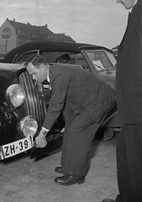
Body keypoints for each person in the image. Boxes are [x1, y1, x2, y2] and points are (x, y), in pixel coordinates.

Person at [25, 54, 116, 185]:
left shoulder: (59, 75)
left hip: (99, 102)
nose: (34, 78)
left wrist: (42, 134)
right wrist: (68, 122)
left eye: (34, 73)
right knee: (70, 128)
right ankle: (68, 166)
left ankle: (77, 174)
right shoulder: (54, 73)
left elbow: (56, 106)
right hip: (89, 102)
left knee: (78, 132)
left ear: (43, 67)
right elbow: (66, 103)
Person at [102, 0, 142, 202]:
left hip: (141, 109)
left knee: (140, 170)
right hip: (133, 110)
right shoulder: (138, 10)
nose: (117, 0)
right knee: (125, 153)